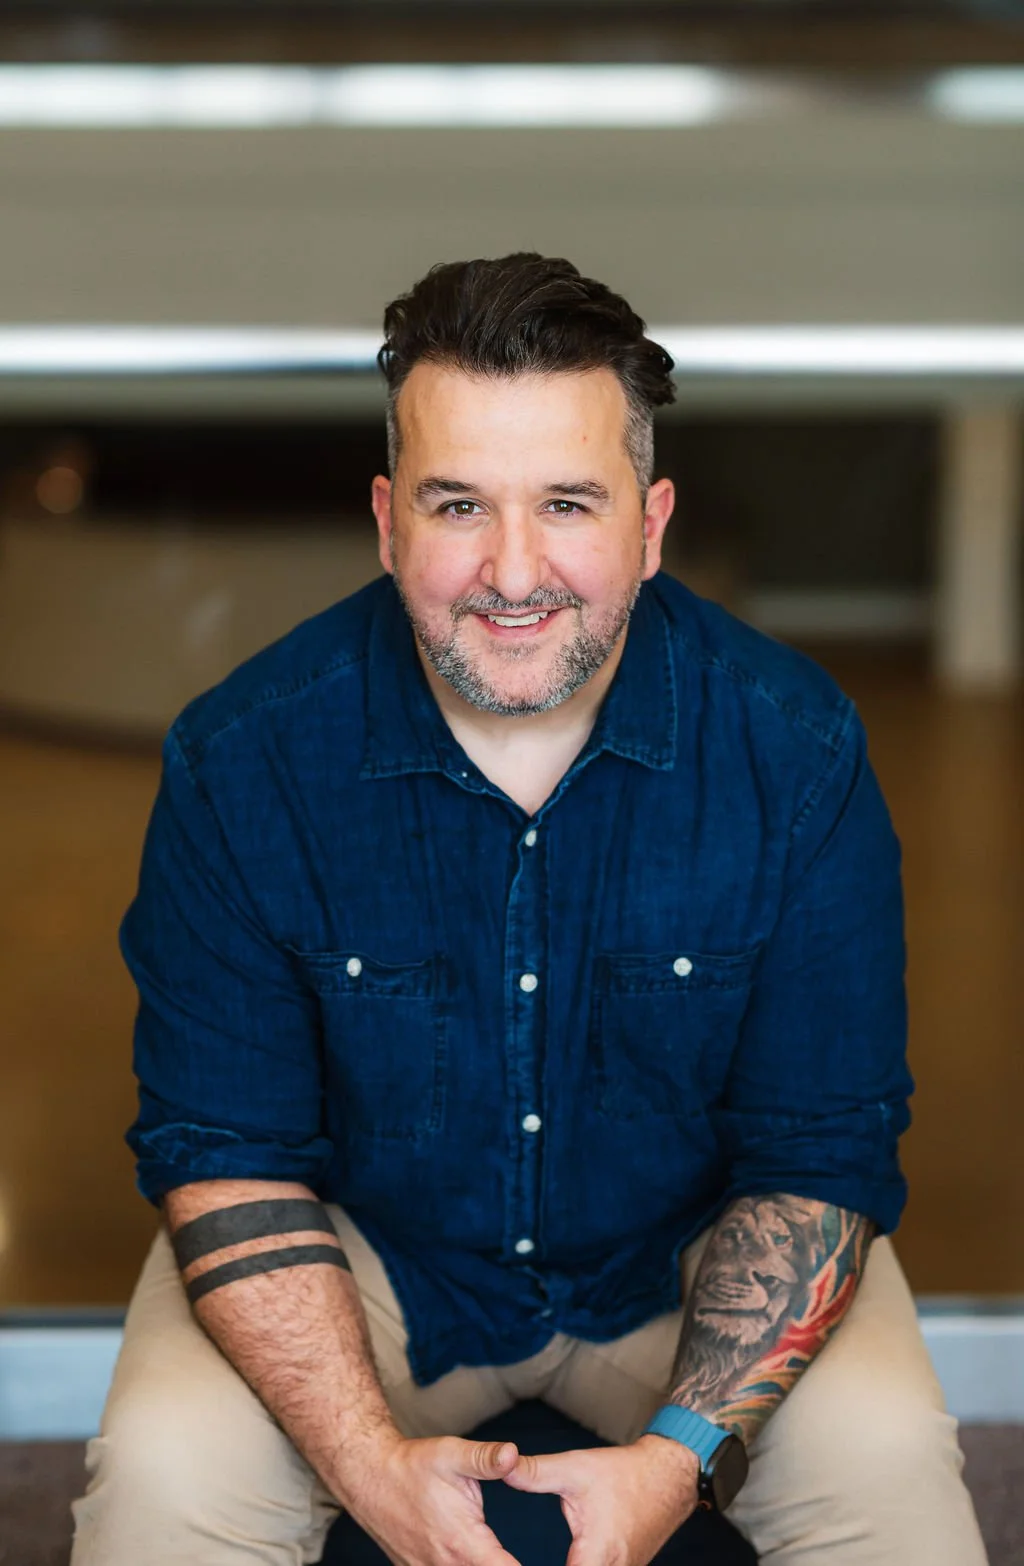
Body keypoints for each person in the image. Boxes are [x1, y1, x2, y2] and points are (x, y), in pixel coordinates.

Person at [71, 254, 987, 1566]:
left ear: (652, 522)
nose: (512, 569)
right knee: (167, 1484)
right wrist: (368, 1470)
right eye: (459, 505)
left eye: (567, 502)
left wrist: (679, 1464)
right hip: (367, 1255)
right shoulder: (245, 759)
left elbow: (815, 1154)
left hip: (689, 1254)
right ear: (388, 520)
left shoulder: (795, 751)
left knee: (887, 1468)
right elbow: (228, 1148)